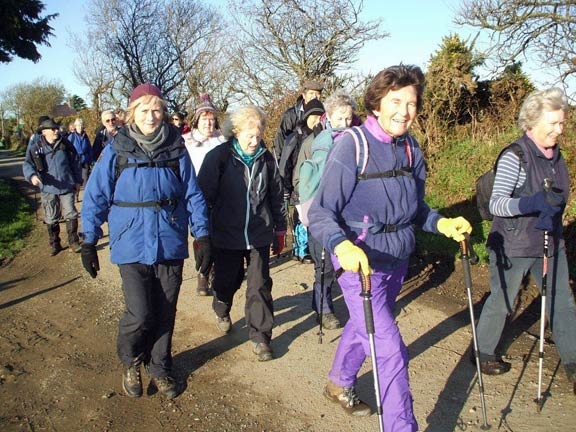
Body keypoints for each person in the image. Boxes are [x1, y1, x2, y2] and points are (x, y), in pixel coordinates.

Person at [308, 65, 472, 428]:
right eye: (395, 101)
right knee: (389, 349)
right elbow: (320, 213)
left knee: (362, 325)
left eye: (412, 103)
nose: (404, 110)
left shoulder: (411, 148)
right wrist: (341, 246)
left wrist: (440, 223)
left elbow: (417, 209)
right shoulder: (352, 146)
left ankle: (338, 383)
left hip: (397, 258)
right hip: (358, 263)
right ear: (376, 104)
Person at [79, 83, 211, 400]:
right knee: (139, 314)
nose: (151, 117)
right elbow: (95, 196)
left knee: (165, 312)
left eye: (156, 110)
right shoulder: (115, 150)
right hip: (130, 242)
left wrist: (202, 235)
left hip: (169, 240)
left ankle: (160, 367)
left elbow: (192, 194)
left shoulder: (176, 148)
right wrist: (88, 239)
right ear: (131, 113)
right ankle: (131, 359)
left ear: (162, 113)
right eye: (144, 110)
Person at [474, 87, 576, 395]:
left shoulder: (556, 158)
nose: (560, 129)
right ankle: (484, 353)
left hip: (549, 239)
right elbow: (497, 204)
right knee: (503, 300)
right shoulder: (515, 155)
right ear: (532, 121)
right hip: (513, 243)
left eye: (562, 123)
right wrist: (530, 203)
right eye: (554, 123)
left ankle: (573, 364)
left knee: (562, 303)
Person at [197, 105, 286, 362]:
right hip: (227, 233)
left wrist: (280, 229)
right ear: (235, 132)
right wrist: (202, 232)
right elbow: (202, 197)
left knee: (259, 285)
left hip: (259, 233)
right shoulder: (219, 157)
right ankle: (221, 305)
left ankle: (260, 337)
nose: (254, 140)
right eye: (249, 135)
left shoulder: (267, 159)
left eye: (258, 135)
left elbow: (277, 196)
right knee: (228, 280)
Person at [293, 89, 358, 330]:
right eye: (340, 118)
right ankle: (324, 308)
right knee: (325, 265)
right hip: (321, 210)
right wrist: (308, 209)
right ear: (328, 116)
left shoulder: (357, 139)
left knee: (345, 263)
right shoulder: (315, 142)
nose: (345, 123)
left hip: (350, 211)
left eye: (349, 118)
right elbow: (301, 178)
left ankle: (332, 303)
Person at [183, 93, 226, 296]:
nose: (208, 123)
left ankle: (215, 271)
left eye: (211, 119)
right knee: (201, 236)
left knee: (217, 236)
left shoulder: (223, 140)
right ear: (196, 120)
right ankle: (202, 272)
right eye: (204, 119)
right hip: (195, 196)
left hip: (220, 196)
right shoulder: (186, 142)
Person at [22, 117, 83, 255]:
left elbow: (75, 162)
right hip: (48, 187)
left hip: (67, 185)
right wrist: (32, 176)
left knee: (71, 213)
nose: (57, 131)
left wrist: (78, 181)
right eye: (53, 129)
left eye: (57, 128)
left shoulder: (66, 144)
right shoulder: (36, 147)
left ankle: (74, 242)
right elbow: (27, 164)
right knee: (51, 216)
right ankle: (55, 244)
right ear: (44, 132)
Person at [279, 98, 325, 264]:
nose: (316, 120)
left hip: (315, 185)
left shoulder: (324, 136)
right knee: (301, 218)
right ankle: (301, 249)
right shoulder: (294, 137)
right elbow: (285, 163)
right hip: (297, 184)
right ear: (306, 117)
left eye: (320, 116)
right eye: (313, 116)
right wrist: (285, 186)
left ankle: (312, 249)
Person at [273, 79, 323, 160]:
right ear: (304, 95)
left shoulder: (324, 114)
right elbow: (280, 139)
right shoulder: (291, 114)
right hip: (293, 159)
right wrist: (278, 163)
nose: (314, 96)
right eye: (311, 93)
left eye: (318, 94)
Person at [68, 118, 93, 186]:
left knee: (86, 181)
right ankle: (76, 195)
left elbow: (89, 148)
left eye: (81, 125)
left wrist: (91, 160)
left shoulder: (85, 136)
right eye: (79, 125)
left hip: (85, 161)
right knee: (76, 182)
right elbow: (67, 150)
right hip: (75, 162)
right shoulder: (71, 137)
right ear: (75, 126)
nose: (80, 127)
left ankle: (86, 195)